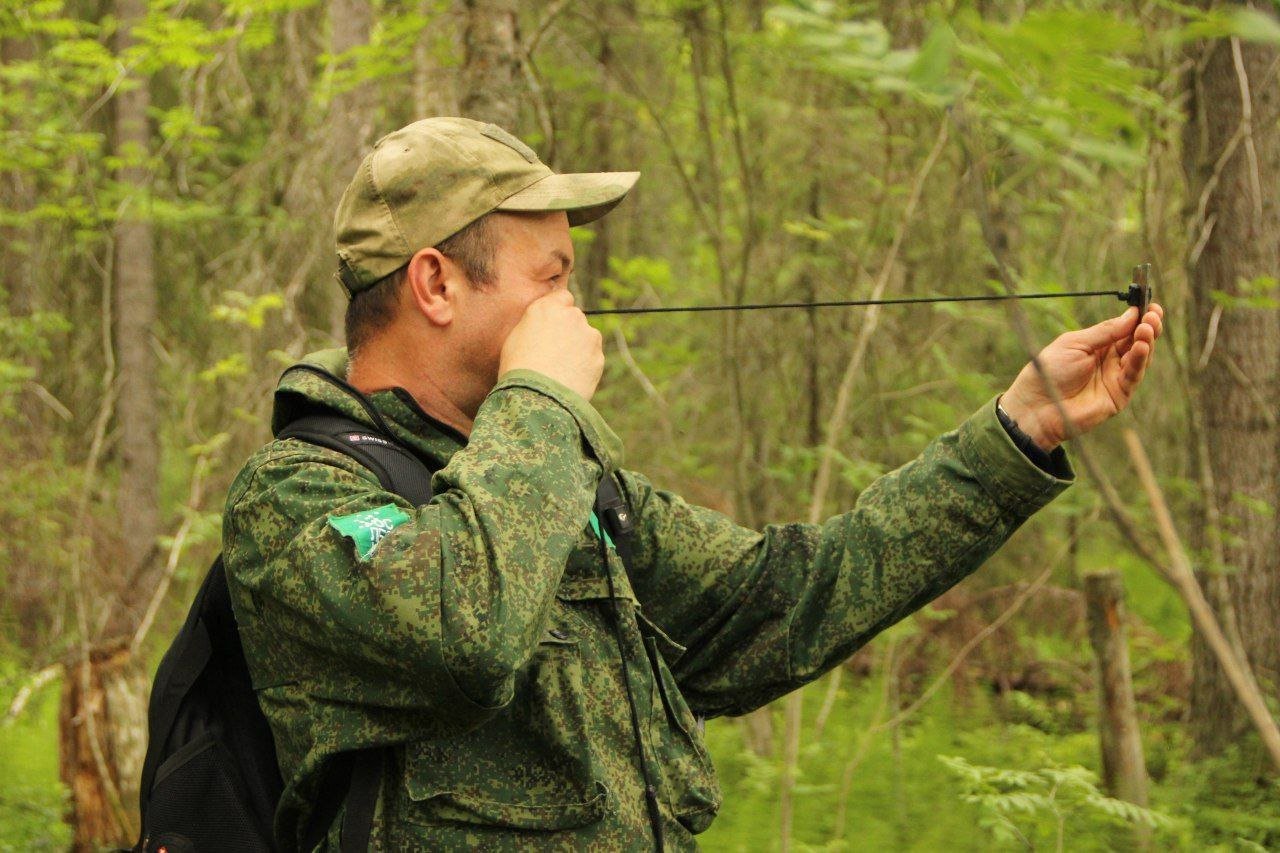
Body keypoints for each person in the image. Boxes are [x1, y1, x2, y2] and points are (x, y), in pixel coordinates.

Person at [222, 117, 1164, 851]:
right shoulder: (298, 498)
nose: (573, 310)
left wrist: (1018, 428)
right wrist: (541, 396)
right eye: (551, 279)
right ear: (435, 285)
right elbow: (464, 633)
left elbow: (784, 598)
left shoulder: (563, 483)